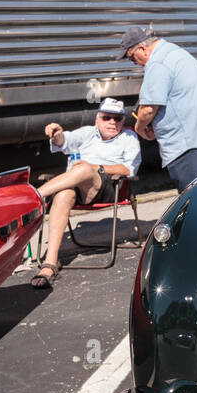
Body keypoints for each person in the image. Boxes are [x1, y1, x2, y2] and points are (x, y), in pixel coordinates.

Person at [31, 98, 141, 288]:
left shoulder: (129, 138)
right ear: (97, 120)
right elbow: (64, 141)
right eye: (107, 117)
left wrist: (95, 167)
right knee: (64, 193)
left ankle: (32, 197)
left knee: (85, 169)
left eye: (118, 118)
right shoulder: (87, 133)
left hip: (109, 186)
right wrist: (56, 133)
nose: (113, 122)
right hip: (77, 187)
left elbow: (128, 170)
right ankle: (50, 263)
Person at [119, 27, 197, 192]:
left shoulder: (157, 63)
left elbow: (148, 109)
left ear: (142, 49)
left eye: (131, 58)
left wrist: (139, 128)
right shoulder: (177, 53)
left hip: (187, 148)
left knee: (194, 206)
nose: (134, 63)